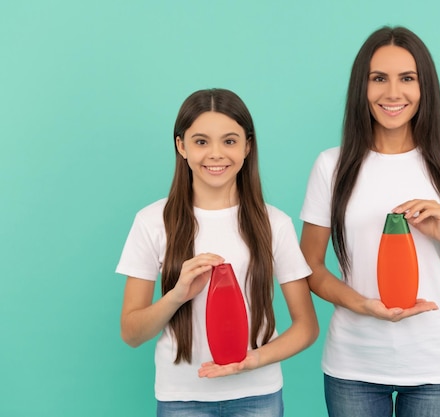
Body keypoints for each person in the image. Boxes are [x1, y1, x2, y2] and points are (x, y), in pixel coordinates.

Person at [299, 26, 440, 417]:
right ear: (361, 88)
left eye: (407, 79)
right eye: (378, 78)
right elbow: (309, 267)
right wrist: (362, 305)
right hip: (354, 363)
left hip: (434, 363)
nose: (393, 93)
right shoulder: (331, 166)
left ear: (424, 88)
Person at [116, 88, 319, 417]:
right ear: (180, 146)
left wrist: (255, 360)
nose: (215, 154)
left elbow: (306, 326)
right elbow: (131, 333)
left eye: (229, 141)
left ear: (247, 146)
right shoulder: (151, 221)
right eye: (200, 141)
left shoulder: (275, 223)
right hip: (181, 397)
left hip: (259, 395)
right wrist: (177, 295)